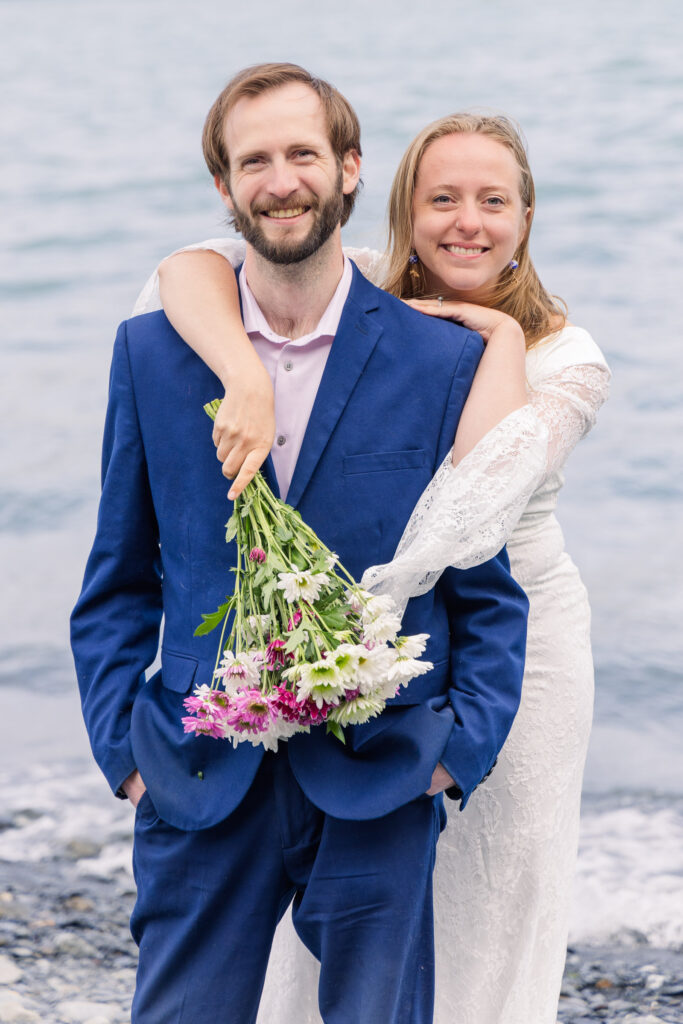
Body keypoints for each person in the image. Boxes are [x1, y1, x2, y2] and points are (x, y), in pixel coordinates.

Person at [71, 64, 529, 1024]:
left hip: (383, 771)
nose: (282, 180)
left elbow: (483, 584)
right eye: (255, 161)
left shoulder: (441, 358)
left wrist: (454, 753)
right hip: (198, 773)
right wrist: (127, 752)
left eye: (303, 155)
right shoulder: (153, 354)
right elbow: (118, 577)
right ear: (224, 189)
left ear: (350, 169)